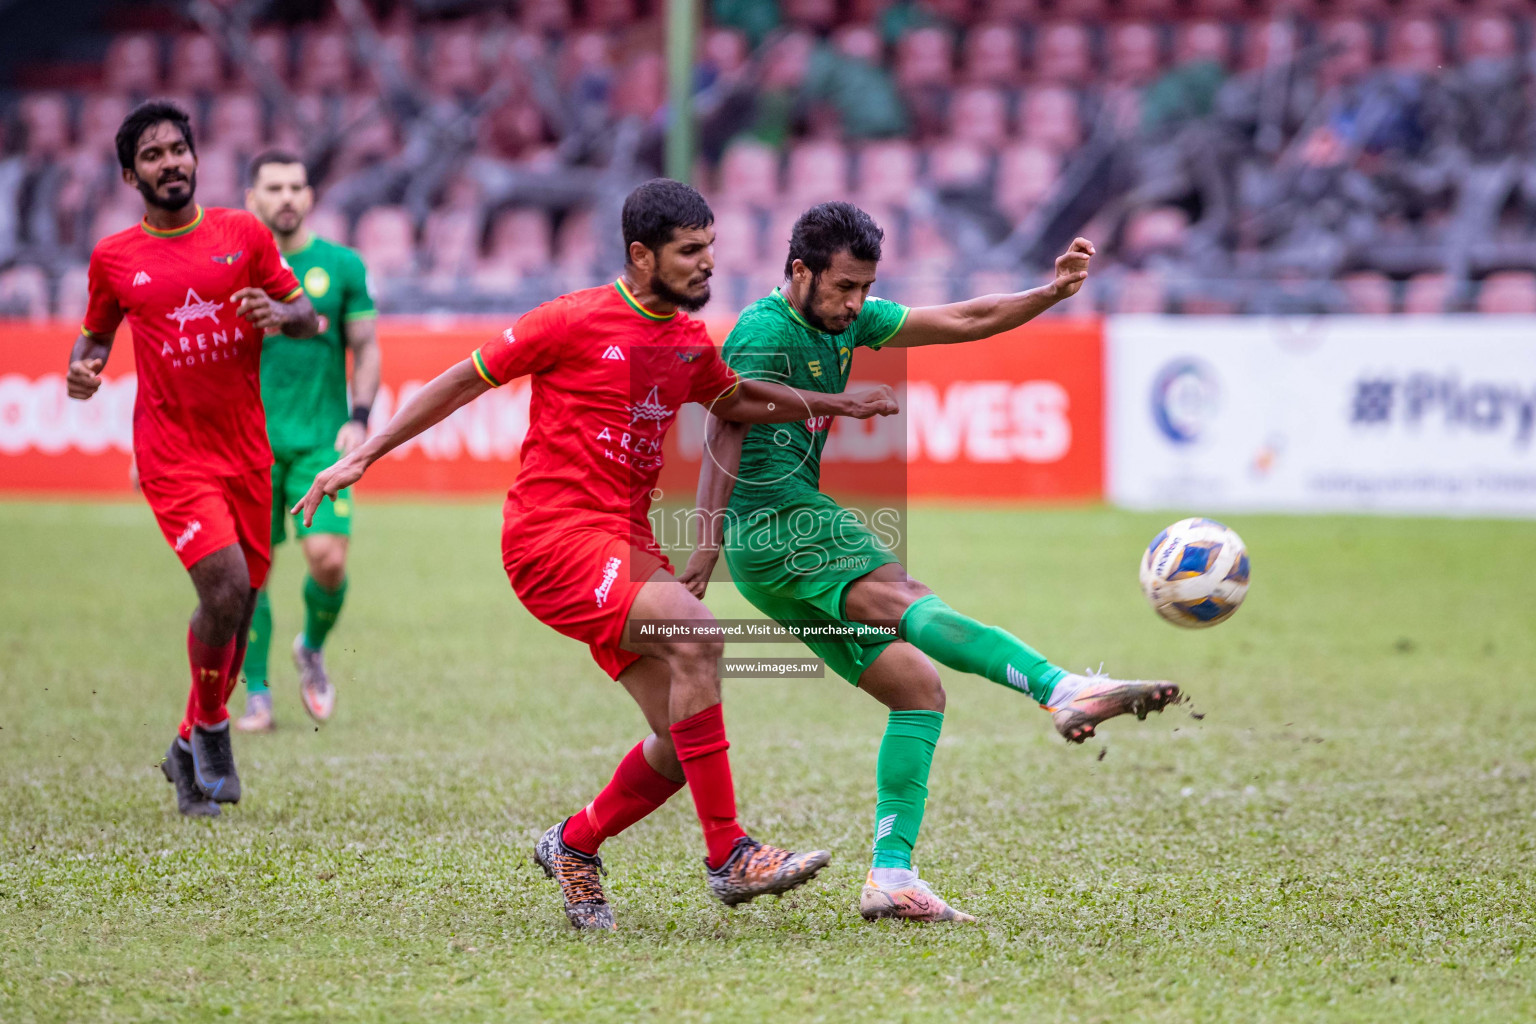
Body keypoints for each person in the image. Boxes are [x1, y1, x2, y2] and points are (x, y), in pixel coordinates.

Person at [292, 179, 899, 930]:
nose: (708, 264)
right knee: (700, 636)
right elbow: (459, 382)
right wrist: (365, 455)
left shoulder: (684, 342)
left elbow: (734, 401)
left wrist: (839, 403)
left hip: (625, 542)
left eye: (711, 247)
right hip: (552, 538)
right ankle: (729, 854)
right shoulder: (571, 320)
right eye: (690, 251)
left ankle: (573, 845)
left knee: (681, 744)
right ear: (642, 255)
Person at [684, 202, 1181, 923]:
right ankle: (1061, 687)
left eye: (864, 288)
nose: (856, 303)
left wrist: (1050, 293)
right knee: (908, 596)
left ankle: (891, 874)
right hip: (776, 526)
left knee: (917, 691)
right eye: (845, 286)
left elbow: (965, 319)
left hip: (772, 553)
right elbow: (725, 425)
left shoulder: (845, 316)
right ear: (800, 271)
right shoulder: (763, 331)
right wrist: (704, 546)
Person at [66, 101, 319, 818]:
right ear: (128, 174)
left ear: (196, 158)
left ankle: (183, 748)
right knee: (225, 589)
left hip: (246, 452)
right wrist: (80, 374)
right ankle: (212, 729)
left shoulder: (244, 234)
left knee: (241, 607)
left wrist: (283, 316)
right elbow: (92, 343)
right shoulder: (114, 258)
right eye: (153, 154)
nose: (170, 162)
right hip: (173, 455)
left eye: (178, 149)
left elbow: (309, 317)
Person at [235, 151, 381, 732]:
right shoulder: (232, 267)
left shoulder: (341, 266)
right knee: (248, 573)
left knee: (327, 559)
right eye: (274, 187)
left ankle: (311, 647)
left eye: (297, 186)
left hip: (321, 440)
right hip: (246, 444)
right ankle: (258, 695)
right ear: (253, 199)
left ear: (311, 196)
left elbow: (366, 345)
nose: (287, 197)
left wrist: (362, 415)